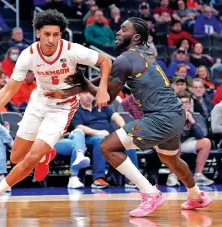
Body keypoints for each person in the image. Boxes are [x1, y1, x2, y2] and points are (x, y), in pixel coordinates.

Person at [46, 17, 212, 218]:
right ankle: (197, 196)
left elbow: (105, 98)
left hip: (161, 117)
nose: (117, 32)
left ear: (135, 36)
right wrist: (67, 92)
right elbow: (104, 81)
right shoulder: (144, 55)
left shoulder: (125, 60)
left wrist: (82, 82)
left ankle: (150, 193)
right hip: (177, 114)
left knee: (107, 146)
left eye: (123, 29)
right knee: (170, 159)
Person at [0, 9, 111, 216]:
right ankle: (45, 156)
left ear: (61, 35)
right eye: (47, 34)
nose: (51, 39)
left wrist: (102, 88)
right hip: (39, 101)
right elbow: (9, 90)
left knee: (31, 158)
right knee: (17, 157)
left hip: (63, 107)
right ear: (38, 33)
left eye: (56, 35)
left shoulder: (72, 50)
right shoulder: (28, 55)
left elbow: (105, 61)